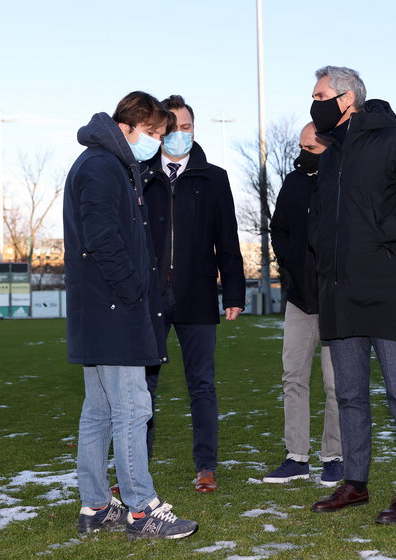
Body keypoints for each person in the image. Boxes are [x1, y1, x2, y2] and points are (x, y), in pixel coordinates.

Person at [306, 67, 396, 524]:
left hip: (386, 289)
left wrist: (381, 235)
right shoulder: (330, 155)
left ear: (348, 99)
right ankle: (355, 483)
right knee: (348, 395)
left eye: (321, 95)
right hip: (340, 292)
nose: (315, 103)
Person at [63, 91, 198, 539]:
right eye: (156, 133)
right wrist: (134, 290)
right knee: (132, 409)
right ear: (132, 126)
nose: (158, 142)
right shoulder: (102, 166)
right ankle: (141, 510)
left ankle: (97, 506)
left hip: (103, 310)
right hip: (115, 309)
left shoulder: (109, 164)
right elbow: (101, 238)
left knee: (99, 412)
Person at [142, 94, 245, 493]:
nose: (180, 135)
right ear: (159, 130)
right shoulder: (140, 173)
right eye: (172, 128)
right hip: (148, 298)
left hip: (198, 295)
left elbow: (228, 238)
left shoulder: (213, 177)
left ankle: (206, 466)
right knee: (141, 388)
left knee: (201, 385)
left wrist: (233, 291)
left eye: (187, 128)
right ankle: (136, 468)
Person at [263, 122, 343, 486]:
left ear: (328, 147)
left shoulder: (343, 182)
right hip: (299, 298)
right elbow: (277, 228)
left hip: (336, 299)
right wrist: (289, 264)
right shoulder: (294, 182)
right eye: (300, 147)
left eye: (309, 148)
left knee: (335, 383)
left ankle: (335, 457)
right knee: (292, 377)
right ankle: (296, 457)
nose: (301, 155)